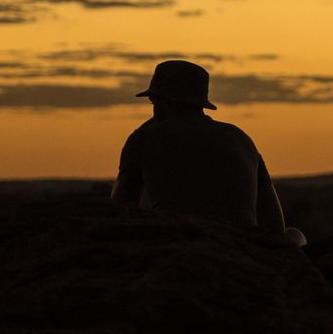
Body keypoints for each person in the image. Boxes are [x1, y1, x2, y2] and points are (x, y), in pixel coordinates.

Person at [112, 59, 306, 246]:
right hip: (243, 247)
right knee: (294, 235)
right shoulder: (240, 138)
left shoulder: (143, 138)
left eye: (153, 103)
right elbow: (274, 226)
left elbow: (120, 210)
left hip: (180, 245)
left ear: (164, 102)